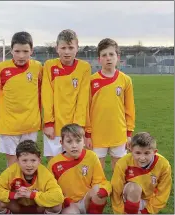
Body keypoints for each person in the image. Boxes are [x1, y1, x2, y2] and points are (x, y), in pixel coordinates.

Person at [0, 31, 43, 166]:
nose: (21, 55)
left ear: (31, 50)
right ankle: (13, 187)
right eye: (17, 51)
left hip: (30, 125)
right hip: (9, 126)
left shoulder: (38, 68)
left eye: (25, 51)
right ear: (11, 50)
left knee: (28, 163)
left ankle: (28, 187)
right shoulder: (1, 69)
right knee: (13, 165)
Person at [85, 38, 135, 170]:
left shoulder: (125, 80)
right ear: (99, 59)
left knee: (119, 172)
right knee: (97, 173)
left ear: (118, 57)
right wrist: (88, 134)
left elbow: (130, 109)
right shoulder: (91, 81)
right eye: (104, 55)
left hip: (119, 133)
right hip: (97, 135)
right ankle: (100, 192)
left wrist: (129, 134)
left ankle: (117, 192)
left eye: (111, 54)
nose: (108, 58)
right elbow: (86, 110)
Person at [41, 29, 91, 161]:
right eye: (63, 47)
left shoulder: (84, 67)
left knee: (74, 164)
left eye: (70, 47)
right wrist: (48, 123)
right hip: (55, 127)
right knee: (54, 164)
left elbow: (82, 98)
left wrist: (77, 126)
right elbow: (47, 96)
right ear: (57, 48)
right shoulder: (49, 66)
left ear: (77, 48)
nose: (67, 51)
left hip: (75, 126)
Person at [47, 124, 111, 214]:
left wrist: (104, 189)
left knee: (98, 190)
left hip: (86, 200)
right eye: (69, 142)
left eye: (78, 141)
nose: (74, 145)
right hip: (68, 203)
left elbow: (100, 181)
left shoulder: (91, 156)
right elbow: (50, 189)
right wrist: (63, 200)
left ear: (84, 141)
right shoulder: (54, 163)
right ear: (61, 143)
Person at [0, 140, 64, 214]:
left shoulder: (45, 173)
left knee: (57, 205)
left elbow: (58, 196)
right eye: (24, 160)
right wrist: (13, 195)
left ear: (39, 160)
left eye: (33, 160)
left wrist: (32, 195)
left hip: (38, 207)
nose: (29, 165)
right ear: (17, 161)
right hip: (17, 207)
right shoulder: (11, 171)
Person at [111, 132, 172, 214]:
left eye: (147, 153)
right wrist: (120, 212)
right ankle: (130, 211)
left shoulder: (164, 165)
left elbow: (163, 193)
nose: (142, 158)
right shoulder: (123, 163)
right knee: (134, 188)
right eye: (138, 153)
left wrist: (147, 211)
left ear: (154, 152)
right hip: (128, 199)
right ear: (131, 151)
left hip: (150, 200)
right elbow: (116, 190)